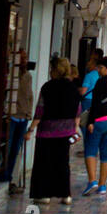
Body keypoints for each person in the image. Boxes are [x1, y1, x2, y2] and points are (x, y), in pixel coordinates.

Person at [26, 57, 79, 205]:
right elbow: (77, 111)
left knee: (44, 163)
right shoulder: (73, 88)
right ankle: (65, 194)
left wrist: (30, 130)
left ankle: (44, 194)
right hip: (66, 131)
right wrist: (74, 128)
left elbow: (40, 111)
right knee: (63, 162)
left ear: (55, 70)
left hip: (47, 132)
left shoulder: (47, 87)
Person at [82, 56, 107, 196]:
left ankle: (92, 180)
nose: (98, 70)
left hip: (100, 120)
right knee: (106, 152)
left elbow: (95, 104)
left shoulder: (100, 82)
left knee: (90, 150)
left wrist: (91, 121)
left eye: (101, 68)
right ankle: (102, 185)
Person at [0, 60, 35, 192]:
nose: (24, 62)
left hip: (22, 116)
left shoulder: (28, 76)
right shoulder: (12, 74)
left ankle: (9, 175)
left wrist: (29, 113)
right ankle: (3, 172)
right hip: (12, 115)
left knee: (15, 149)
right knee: (7, 146)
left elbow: (30, 96)